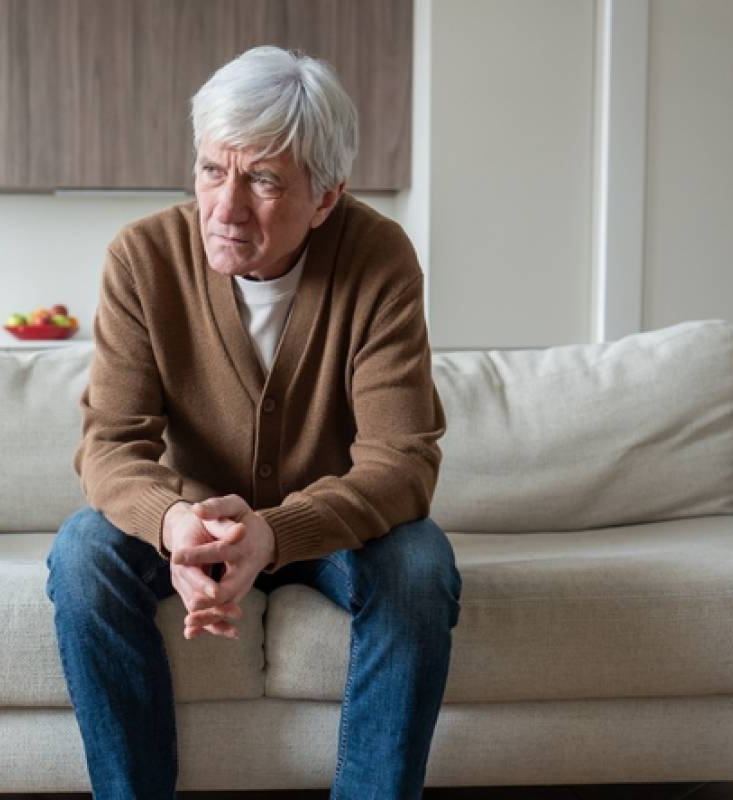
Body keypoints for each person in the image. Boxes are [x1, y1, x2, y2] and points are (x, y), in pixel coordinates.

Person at [46, 44, 461, 800]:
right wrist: (174, 523)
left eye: (264, 180)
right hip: (192, 519)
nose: (226, 207)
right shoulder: (143, 258)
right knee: (82, 553)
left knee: (419, 563)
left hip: (333, 526)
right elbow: (111, 446)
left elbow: (403, 462)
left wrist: (274, 532)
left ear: (326, 198)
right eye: (213, 169)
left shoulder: (378, 257)